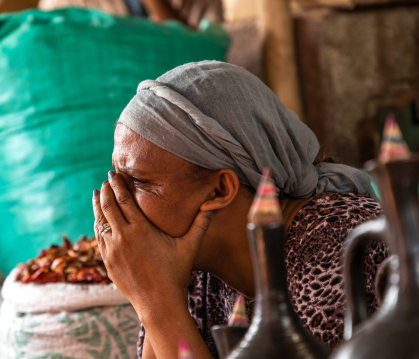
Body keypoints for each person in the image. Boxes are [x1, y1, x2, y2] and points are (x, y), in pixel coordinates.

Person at [92, 61, 387, 359]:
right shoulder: (187, 267)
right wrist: (156, 296)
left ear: (220, 189)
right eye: (116, 179)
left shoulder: (335, 247)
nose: (115, 200)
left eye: (138, 181)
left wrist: (157, 304)